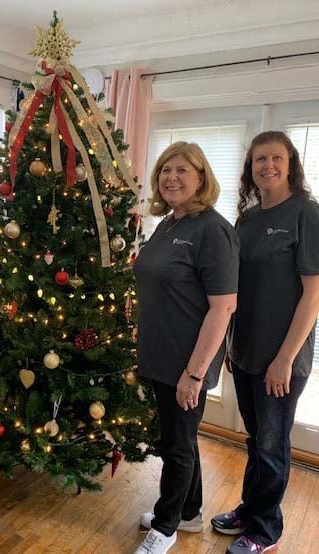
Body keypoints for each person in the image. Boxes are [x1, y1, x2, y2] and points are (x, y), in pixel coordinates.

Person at [210, 131, 319, 553]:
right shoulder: (248, 219)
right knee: (256, 440)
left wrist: (285, 359)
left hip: (283, 357)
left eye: (275, 158)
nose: (267, 166)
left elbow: (313, 295)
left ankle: (265, 530)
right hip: (247, 351)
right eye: (259, 160)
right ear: (250, 168)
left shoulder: (306, 214)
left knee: (272, 444)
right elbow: (238, 290)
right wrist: (232, 347)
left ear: (290, 163)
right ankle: (250, 507)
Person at [133, 142, 239, 554]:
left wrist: (194, 373)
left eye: (182, 170)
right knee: (181, 439)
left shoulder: (213, 230)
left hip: (187, 360)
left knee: (177, 447)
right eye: (165, 170)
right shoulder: (169, 223)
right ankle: (188, 513)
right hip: (160, 355)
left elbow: (223, 306)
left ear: (201, 178)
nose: (171, 177)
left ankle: (165, 526)